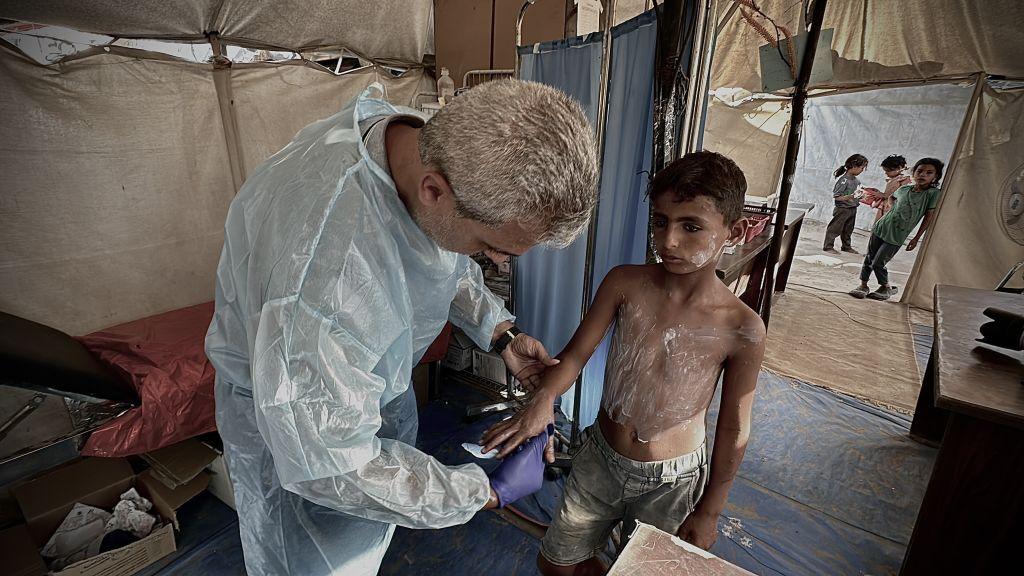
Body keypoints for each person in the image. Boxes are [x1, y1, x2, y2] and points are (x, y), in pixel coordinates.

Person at [204, 79, 599, 575]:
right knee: (321, 561)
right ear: (434, 190)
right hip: (295, 427)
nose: (496, 260)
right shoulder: (326, 277)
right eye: (496, 247)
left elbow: (439, 259)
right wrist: (484, 493)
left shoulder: (420, 146)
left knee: (368, 535)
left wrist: (500, 334)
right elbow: (333, 465)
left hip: (355, 387)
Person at [481, 152, 767, 575]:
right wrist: (543, 399)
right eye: (660, 222)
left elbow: (733, 428)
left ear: (734, 231)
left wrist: (710, 509)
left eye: (691, 226)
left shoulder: (741, 328)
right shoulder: (626, 282)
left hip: (672, 481)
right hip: (600, 458)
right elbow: (577, 353)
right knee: (556, 563)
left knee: (642, 567)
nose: (668, 241)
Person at [849, 157, 944, 301]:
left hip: (897, 235)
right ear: (914, 172)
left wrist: (917, 237)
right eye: (919, 171)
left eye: (929, 173)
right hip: (881, 227)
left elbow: (928, 217)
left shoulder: (932, 194)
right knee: (869, 257)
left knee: (878, 262)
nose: (923, 175)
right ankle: (863, 285)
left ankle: (886, 287)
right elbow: (892, 197)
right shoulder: (904, 189)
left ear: (935, 176)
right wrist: (892, 210)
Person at [822, 154, 869, 254]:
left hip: (852, 208)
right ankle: (828, 246)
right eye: (861, 168)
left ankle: (846, 246)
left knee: (848, 229)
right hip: (842, 209)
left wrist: (862, 196)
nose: (862, 170)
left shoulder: (856, 181)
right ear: (853, 166)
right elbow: (837, 197)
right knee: (835, 228)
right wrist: (850, 197)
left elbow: (856, 194)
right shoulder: (843, 181)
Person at [867, 154, 912, 223]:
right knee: (879, 224)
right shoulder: (892, 179)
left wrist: (882, 195)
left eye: (888, 170)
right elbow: (888, 193)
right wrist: (879, 193)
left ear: (899, 168)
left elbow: (899, 195)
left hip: (892, 207)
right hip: (885, 205)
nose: (885, 173)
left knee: (886, 223)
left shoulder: (902, 180)